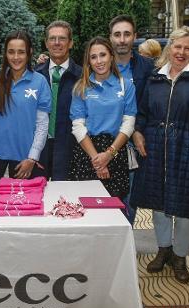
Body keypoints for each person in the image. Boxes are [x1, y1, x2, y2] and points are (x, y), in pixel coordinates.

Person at [130, 26, 189, 284]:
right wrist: (138, 132)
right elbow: (143, 111)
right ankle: (163, 250)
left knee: (187, 206)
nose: (181, 52)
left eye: (187, 48)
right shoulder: (155, 77)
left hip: (188, 145)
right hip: (156, 144)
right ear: (170, 47)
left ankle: (180, 257)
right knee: (159, 202)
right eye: (177, 47)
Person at [0, 30, 51, 181]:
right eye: (11, 52)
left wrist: (32, 158)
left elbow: (42, 125)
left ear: (29, 53)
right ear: (5, 53)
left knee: (22, 203)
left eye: (21, 52)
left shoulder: (40, 81)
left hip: (24, 159)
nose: (16, 57)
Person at [69, 37, 137, 198]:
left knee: (115, 212)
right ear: (88, 61)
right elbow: (78, 127)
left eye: (103, 55)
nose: (99, 61)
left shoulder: (126, 85)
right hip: (87, 153)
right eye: (93, 57)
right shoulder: (81, 87)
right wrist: (97, 161)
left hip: (115, 151)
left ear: (111, 56)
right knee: (85, 212)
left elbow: (128, 124)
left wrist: (108, 154)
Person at [108, 15, 155, 224]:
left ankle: (125, 246)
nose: (122, 39)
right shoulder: (99, 64)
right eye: (117, 34)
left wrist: (136, 129)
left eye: (127, 34)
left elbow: (150, 104)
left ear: (134, 37)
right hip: (103, 141)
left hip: (133, 146)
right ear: (110, 38)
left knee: (129, 199)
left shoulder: (148, 67)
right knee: (104, 198)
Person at [34, 20, 82, 181]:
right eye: (52, 39)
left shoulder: (82, 77)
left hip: (71, 149)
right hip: (38, 149)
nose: (57, 43)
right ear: (46, 43)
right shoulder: (35, 76)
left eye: (62, 38)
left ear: (71, 43)